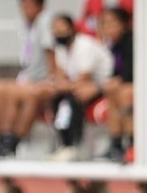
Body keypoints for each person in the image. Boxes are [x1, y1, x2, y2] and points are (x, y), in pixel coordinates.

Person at [0, 0, 56, 157]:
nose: (24, 9)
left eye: (29, 4)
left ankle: (12, 140)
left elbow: (52, 55)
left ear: (40, 5)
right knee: (0, 87)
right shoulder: (28, 25)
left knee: (15, 93)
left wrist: (52, 80)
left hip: (42, 80)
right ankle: (2, 136)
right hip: (29, 77)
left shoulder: (45, 22)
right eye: (23, 4)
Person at [46, 14, 113, 162]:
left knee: (76, 97)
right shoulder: (61, 48)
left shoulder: (85, 46)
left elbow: (83, 79)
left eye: (62, 29)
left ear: (72, 29)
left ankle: (75, 145)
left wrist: (60, 86)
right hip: (79, 86)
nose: (59, 34)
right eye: (55, 31)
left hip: (102, 86)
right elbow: (61, 76)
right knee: (56, 97)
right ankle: (65, 145)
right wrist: (56, 86)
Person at [98, 7, 135, 162]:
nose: (107, 28)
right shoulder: (114, 47)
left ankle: (133, 145)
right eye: (104, 24)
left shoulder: (131, 41)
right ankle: (116, 145)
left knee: (123, 93)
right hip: (125, 86)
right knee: (113, 92)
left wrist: (98, 88)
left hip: (144, 86)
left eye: (111, 23)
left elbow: (130, 74)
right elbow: (115, 74)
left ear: (123, 24)